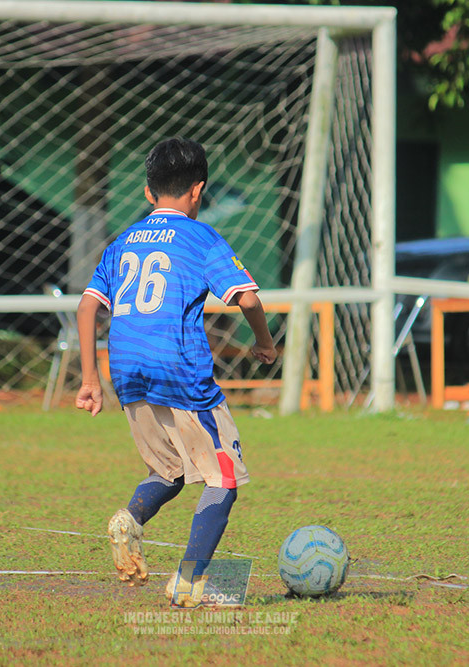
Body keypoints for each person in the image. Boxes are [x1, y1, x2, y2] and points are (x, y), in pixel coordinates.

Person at [75, 138, 277, 607]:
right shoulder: (202, 237)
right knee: (223, 477)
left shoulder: (123, 240)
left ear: (148, 192)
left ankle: (130, 519)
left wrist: (90, 379)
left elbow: (88, 307)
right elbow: (245, 297)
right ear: (198, 191)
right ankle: (189, 581)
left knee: (167, 471)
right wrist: (263, 342)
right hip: (179, 367)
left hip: (126, 369)